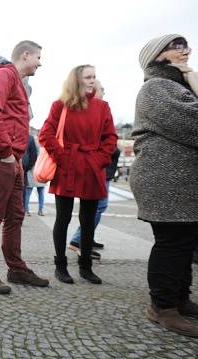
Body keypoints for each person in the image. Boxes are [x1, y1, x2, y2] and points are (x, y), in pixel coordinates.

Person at [131, 34, 198, 337]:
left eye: (186, 45)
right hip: (165, 182)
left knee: (183, 243)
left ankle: (179, 299)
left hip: (181, 182)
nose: (186, 51)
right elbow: (192, 125)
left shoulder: (178, 85)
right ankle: (162, 307)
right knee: (172, 243)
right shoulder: (156, 87)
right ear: (157, 55)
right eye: (177, 46)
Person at [0, 40, 50, 295]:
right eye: (38, 57)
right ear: (25, 55)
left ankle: (16, 268)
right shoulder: (3, 74)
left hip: (11, 160)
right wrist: (5, 152)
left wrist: (13, 157)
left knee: (16, 217)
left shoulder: (15, 80)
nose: (40, 62)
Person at [39, 65, 117, 285]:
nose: (93, 80)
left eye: (95, 76)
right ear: (77, 79)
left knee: (88, 219)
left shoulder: (102, 106)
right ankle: (60, 266)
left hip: (92, 167)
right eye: (88, 77)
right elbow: (46, 134)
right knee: (62, 218)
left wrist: (98, 159)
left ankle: (86, 266)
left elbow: (110, 138)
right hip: (68, 166)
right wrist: (63, 157)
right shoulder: (60, 105)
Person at [68, 80, 119, 260]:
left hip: (101, 167)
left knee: (96, 207)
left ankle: (87, 238)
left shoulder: (102, 109)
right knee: (97, 206)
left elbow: (109, 138)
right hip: (97, 169)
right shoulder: (88, 110)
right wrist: (99, 160)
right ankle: (79, 240)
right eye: (102, 89)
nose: (103, 92)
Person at [21, 134, 41, 216]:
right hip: (23, 170)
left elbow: (33, 156)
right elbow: (33, 156)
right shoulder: (29, 138)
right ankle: (19, 216)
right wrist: (27, 168)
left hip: (10, 169)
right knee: (21, 194)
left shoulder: (6, 133)